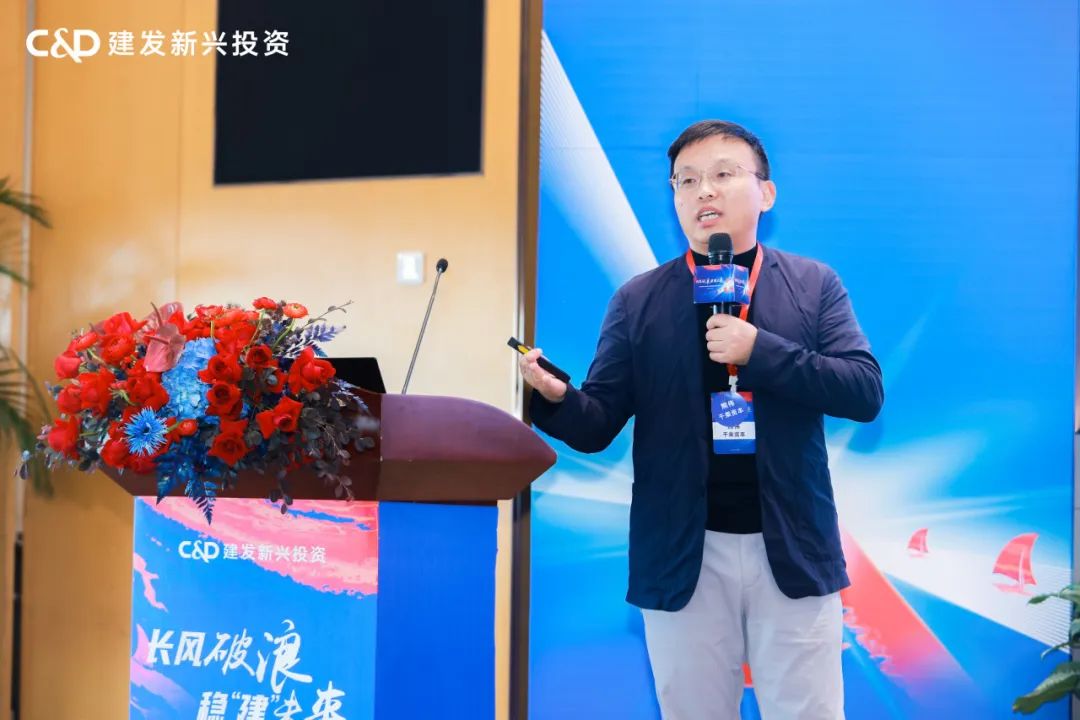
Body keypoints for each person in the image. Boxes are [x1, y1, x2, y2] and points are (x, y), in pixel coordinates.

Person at [520, 120, 883, 719]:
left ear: (766, 192)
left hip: (791, 545)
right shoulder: (638, 300)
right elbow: (597, 423)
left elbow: (863, 391)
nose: (703, 191)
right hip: (682, 552)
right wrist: (557, 398)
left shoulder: (814, 285)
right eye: (685, 181)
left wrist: (759, 350)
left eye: (722, 174)